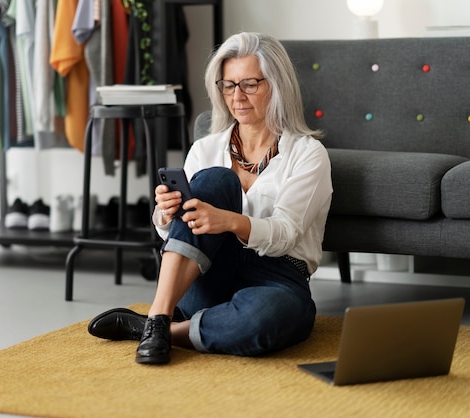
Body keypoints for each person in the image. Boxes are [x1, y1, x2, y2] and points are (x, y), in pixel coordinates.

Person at [88, 32, 333, 365]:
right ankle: (161, 314)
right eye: (228, 85)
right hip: (206, 273)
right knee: (216, 180)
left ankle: (156, 330)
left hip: (277, 276)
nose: (237, 97)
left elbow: (287, 233)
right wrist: (166, 214)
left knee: (265, 318)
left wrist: (231, 221)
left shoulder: (307, 154)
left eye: (249, 84)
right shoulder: (205, 148)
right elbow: (176, 235)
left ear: (277, 85)